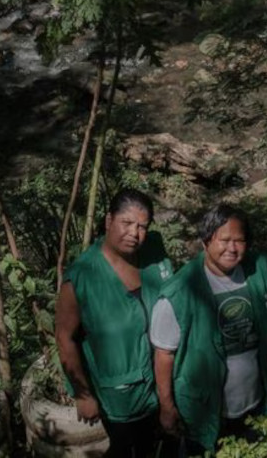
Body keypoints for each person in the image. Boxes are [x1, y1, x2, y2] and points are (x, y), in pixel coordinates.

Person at [150, 204, 267, 456]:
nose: (232, 248)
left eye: (240, 240)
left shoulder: (260, 272)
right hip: (204, 411)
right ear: (205, 241)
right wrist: (167, 407)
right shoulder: (179, 292)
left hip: (254, 403)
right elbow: (164, 355)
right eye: (224, 240)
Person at [55, 189, 173, 458]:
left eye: (142, 226)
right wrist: (83, 395)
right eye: (127, 223)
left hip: (161, 383)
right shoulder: (83, 276)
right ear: (109, 220)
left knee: (155, 446)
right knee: (125, 447)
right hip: (120, 396)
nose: (135, 233)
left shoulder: (153, 249)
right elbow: (64, 337)